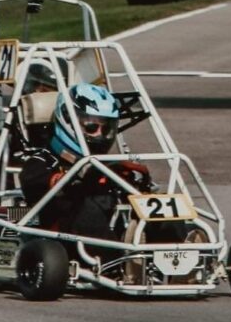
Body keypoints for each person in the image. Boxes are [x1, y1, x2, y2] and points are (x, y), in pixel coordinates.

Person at [20, 82, 152, 240]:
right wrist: (71, 179)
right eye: (91, 127)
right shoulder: (43, 159)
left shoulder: (106, 164)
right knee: (88, 209)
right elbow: (33, 182)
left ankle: (177, 248)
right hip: (56, 232)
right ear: (67, 120)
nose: (99, 135)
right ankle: (122, 257)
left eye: (106, 129)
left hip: (107, 226)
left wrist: (132, 183)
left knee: (156, 206)